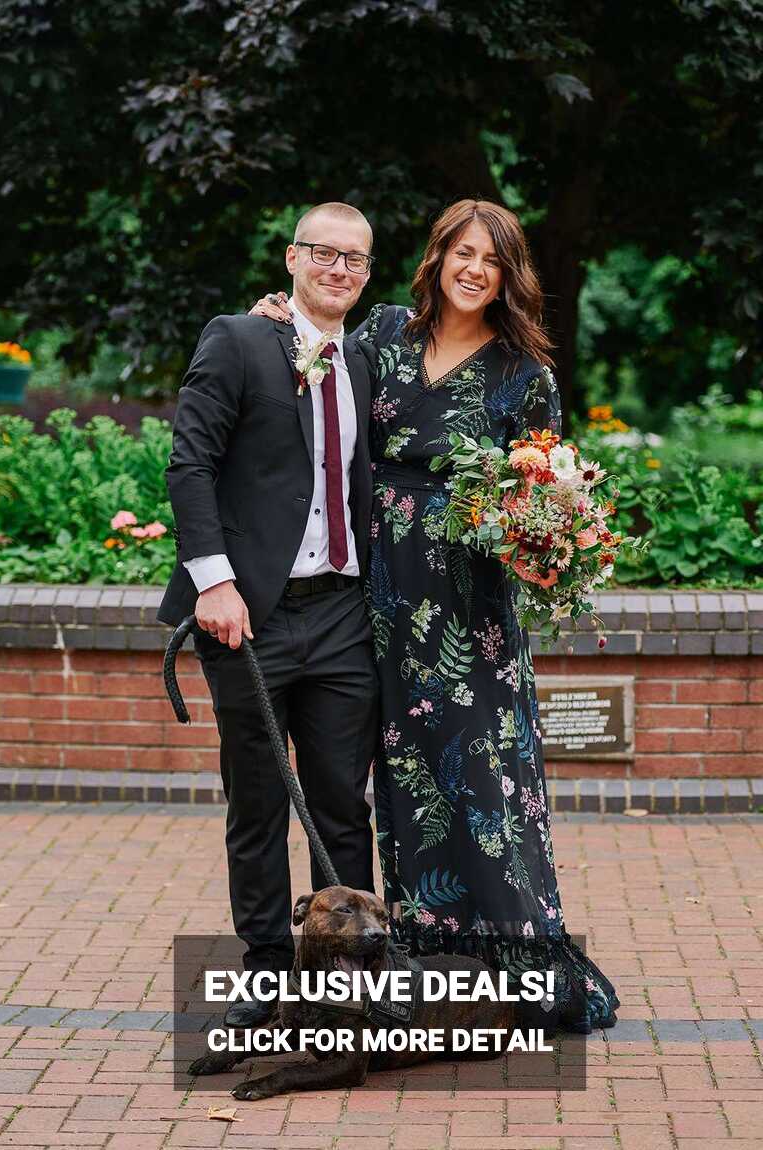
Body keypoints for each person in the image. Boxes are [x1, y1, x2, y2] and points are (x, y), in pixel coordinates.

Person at [252, 198, 619, 1034]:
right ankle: (421, 962)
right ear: (437, 258)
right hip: (372, 596)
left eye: (490, 259)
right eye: (460, 251)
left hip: (468, 612)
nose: (472, 269)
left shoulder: (524, 374)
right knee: (402, 780)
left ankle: (510, 966)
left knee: (481, 781)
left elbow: (543, 499)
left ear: (507, 274)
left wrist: (547, 544)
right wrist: (276, 315)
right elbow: (311, 359)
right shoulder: (383, 333)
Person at [158, 202, 380, 1028]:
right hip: (246, 615)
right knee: (256, 802)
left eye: (354, 261)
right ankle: (262, 968)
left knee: (340, 802)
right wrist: (213, 582)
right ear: (292, 258)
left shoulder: (366, 360)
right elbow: (191, 462)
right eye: (324, 254)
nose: (338, 270)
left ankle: (344, 974)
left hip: (342, 615)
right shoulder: (238, 338)